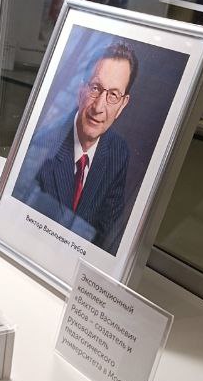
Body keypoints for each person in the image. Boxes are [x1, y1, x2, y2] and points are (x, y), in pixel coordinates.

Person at [15, 39, 138, 255]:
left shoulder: (118, 152)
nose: (99, 107)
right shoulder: (42, 146)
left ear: (122, 104)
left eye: (113, 95)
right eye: (95, 88)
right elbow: (19, 226)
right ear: (81, 89)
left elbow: (105, 237)